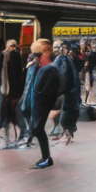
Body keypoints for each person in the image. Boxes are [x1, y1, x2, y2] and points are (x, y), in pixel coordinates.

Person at [26, 39, 63, 169]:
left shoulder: (51, 69)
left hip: (43, 104)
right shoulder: (42, 68)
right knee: (37, 129)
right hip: (39, 104)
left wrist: (42, 99)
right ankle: (46, 157)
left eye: (37, 55)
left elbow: (49, 90)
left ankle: (47, 158)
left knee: (38, 129)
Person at [52, 41, 82, 145]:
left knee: (64, 114)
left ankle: (66, 133)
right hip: (73, 92)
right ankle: (67, 132)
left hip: (68, 92)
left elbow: (63, 77)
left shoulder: (62, 60)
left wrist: (59, 91)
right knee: (69, 112)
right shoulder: (68, 60)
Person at [0, 40, 25, 145]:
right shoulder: (6, 56)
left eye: (14, 46)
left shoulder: (13, 56)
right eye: (11, 46)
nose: (13, 48)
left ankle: (19, 131)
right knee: (11, 112)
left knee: (12, 112)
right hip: (10, 90)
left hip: (11, 90)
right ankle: (15, 131)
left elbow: (17, 74)